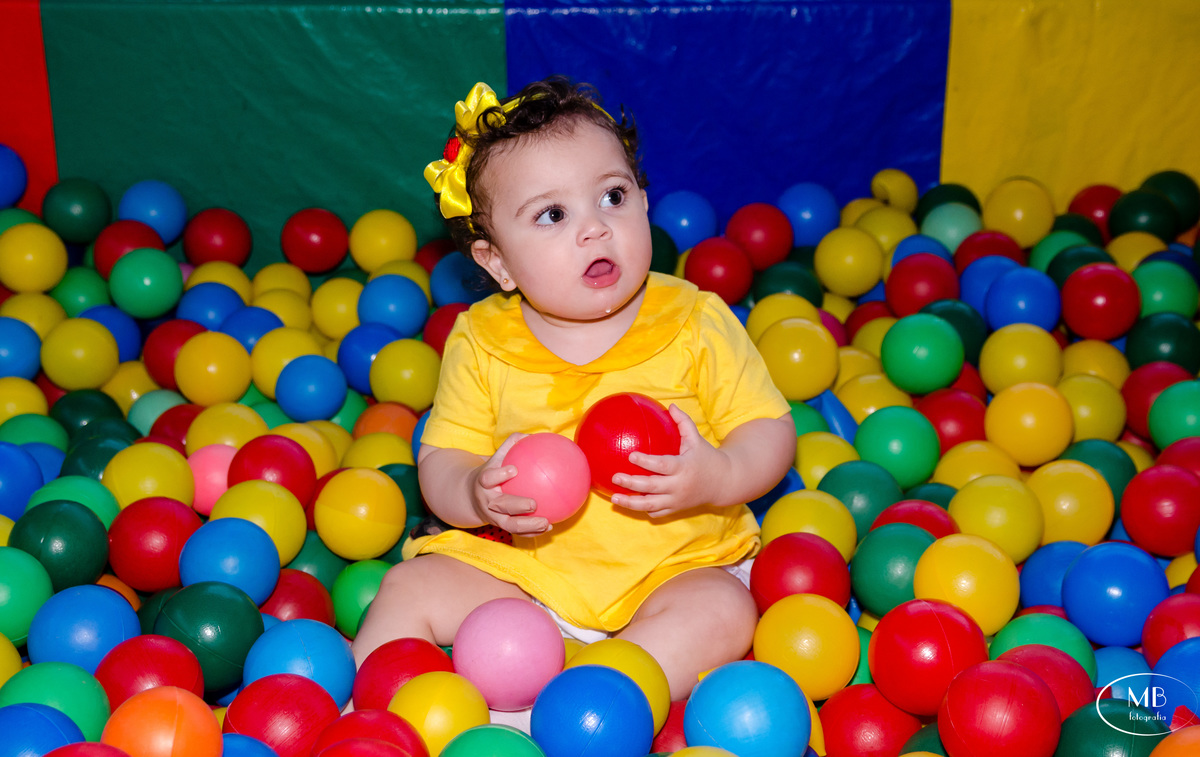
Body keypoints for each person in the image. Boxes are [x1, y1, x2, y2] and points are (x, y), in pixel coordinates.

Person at [352, 77, 795, 710]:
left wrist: (717, 475)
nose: (594, 229)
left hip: (677, 566)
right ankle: (368, 717)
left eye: (612, 196)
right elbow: (443, 460)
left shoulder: (695, 320)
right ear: (497, 262)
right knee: (408, 587)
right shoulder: (480, 340)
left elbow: (769, 429)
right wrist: (477, 493)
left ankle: (586, 712)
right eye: (553, 215)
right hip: (525, 571)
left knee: (724, 611)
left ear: (644, 202)